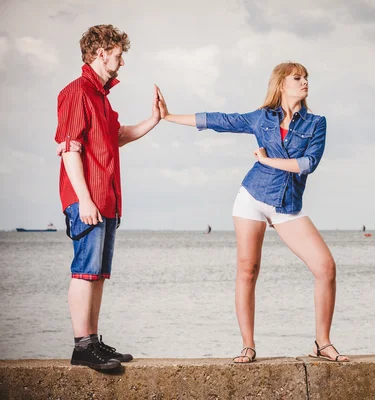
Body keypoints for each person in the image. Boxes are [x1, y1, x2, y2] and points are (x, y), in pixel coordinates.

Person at [156, 62, 349, 363]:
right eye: (297, 78)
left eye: (307, 78)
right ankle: (248, 345)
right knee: (248, 270)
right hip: (252, 198)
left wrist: (267, 160)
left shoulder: (316, 124)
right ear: (282, 84)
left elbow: (308, 164)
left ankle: (322, 343)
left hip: (287, 206)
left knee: (326, 268)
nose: (305, 82)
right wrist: (167, 116)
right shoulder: (262, 119)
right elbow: (221, 120)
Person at [55, 24, 160, 370]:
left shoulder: (101, 97)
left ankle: (93, 341)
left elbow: (119, 135)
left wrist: (154, 119)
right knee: (84, 271)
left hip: (107, 200)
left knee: (98, 273)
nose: (122, 62)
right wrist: (84, 199)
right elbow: (69, 150)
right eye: (119, 55)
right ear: (102, 53)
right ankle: (82, 346)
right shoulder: (77, 92)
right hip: (88, 199)